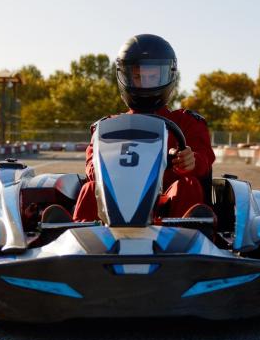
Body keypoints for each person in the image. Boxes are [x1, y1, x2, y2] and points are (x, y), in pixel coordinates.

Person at [73, 34, 216, 222]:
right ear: (125, 77)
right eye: (138, 77)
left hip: (166, 210)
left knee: (187, 185)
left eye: (153, 77)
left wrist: (191, 160)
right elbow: (91, 168)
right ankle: (74, 238)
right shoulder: (108, 127)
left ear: (168, 75)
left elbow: (205, 158)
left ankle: (189, 240)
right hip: (115, 203)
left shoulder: (186, 122)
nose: (146, 83)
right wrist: (108, 163)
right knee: (90, 188)